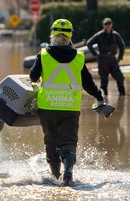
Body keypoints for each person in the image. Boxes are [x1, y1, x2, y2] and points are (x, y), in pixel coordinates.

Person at [29, 19, 104, 186]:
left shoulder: (43, 55)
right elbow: (88, 83)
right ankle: (68, 170)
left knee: (51, 140)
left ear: (52, 34)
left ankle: (55, 176)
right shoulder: (78, 57)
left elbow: (33, 77)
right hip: (70, 107)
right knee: (69, 141)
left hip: (47, 107)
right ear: (70, 35)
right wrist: (99, 97)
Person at [86, 17, 126, 96]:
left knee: (120, 77)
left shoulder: (115, 35)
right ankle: (105, 96)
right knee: (104, 79)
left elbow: (122, 46)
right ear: (103, 25)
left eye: (109, 23)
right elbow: (89, 43)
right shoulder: (99, 35)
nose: (107, 25)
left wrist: (119, 57)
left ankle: (122, 95)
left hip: (112, 59)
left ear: (112, 24)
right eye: (105, 24)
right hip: (103, 59)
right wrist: (96, 55)